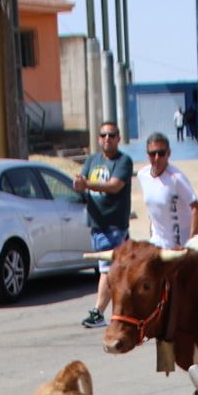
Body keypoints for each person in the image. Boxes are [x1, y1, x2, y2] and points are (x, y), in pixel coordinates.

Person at [73, 119, 134, 329]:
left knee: (107, 269)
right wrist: (78, 184)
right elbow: (80, 182)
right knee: (114, 269)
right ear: (99, 139)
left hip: (114, 224)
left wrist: (87, 184)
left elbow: (114, 186)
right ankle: (125, 308)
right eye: (103, 135)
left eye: (111, 135)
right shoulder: (92, 160)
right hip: (96, 224)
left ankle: (98, 312)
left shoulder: (123, 161)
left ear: (118, 138)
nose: (107, 138)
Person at [137, 133, 198, 247]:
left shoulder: (177, 178)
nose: (157, 158)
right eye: (152, 154)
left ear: (169, 153)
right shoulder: (142, 175)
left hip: (179, 246)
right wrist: (152, 232)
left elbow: (196, 208)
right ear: (147, 155)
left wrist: (190, 243)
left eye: (161, 153)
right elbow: (152, 207)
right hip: (157, 243)